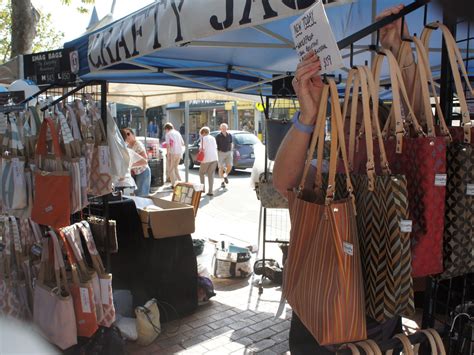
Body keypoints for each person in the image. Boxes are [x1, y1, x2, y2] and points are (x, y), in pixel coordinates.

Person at [273, 5, 420, 354]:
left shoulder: (389, 172)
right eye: (349, 123)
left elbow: (415, 112)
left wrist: (399, 50)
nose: (355, 133)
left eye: (364, 126)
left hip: (374, 319)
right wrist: (307, 116)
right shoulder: (328, 166)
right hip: (319, 309)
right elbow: (284, 182)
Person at [120, 128, 151, 197]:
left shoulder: (137, 144)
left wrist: (131, 165)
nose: (127, 136)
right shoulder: (127, 146)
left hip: (142, 171)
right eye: (125, 135)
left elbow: (145, 160)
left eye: (128, 134)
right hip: (133, 173)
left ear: (133, 135)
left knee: (141, 194)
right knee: (133, 195)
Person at [198, 126, 218, 196]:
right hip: (214, 158)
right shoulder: (213, 138)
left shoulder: (203, 138)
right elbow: (215, 147)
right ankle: (210, 191)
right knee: (211, 174)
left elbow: (202, 149)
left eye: (201, 133)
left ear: (203, 133)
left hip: (206, 158)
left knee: (201, 173)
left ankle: (202, 189)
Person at [215, 123, 233, 189]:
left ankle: (225, 175)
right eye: (222, 128)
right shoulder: (218, 136)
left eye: (224, 128)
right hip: (220, 153)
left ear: (226, 128)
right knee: (221, 168)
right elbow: (215, 146)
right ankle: (222, 182)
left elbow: (231, 143)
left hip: (228, 152)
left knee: (230, 166)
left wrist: (231, 150)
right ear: (220, 129)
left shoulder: (229, 135)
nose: (223, 129)